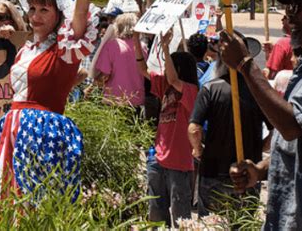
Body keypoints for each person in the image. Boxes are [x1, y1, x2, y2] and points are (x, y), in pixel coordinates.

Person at [0, 0, 98, 200]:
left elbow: (81, 9)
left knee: (34, 203)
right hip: (13, 130)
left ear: (60, 14)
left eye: (44, 10)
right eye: (33, 9)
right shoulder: (26, 50)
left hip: (42, 134)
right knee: (7, 203)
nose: (35, 16)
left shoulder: (65, 49)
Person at [226, 0, 302, 230]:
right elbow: (300, 146)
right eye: (289, 8)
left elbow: (291, 126)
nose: (290, 16)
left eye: (299, 7)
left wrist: (245, 65)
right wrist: (261, 170)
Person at [187, 32, 270, 217]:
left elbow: (194, 129)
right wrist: (261, 146)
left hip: (214, 173)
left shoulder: (210, 88)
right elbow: (275, 131)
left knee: (212, 226)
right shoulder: (259, 89)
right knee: (242, 225)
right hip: (246, 174)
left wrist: (199, 150)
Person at [134, 29, 198, 227]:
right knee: (155, 212)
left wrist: (165, 47)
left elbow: (173, 79)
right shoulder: (165, 87)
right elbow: (143, 70)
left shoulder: (191, 91)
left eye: (174, 65)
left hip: (179, 162)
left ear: (181, 68)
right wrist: (137, 41)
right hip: (158, 157)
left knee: (181, 218)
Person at [93, 13, 146, 111]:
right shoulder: (142, 47)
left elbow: (104, 75)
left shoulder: (112, 45)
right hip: (136, 101)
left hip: (114, 101)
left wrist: (95, 80)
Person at [263, 15, 293, 80]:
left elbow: (272, 74)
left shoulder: (282, 44)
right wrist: (272, 54)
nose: (282, 20)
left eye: (285, 17)